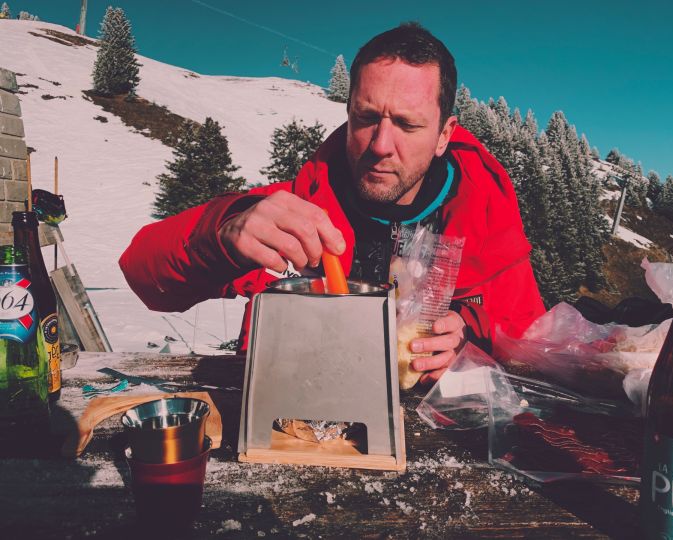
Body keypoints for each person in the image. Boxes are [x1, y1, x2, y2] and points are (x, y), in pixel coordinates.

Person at [119, 23, 546, 385]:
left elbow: (538, 353)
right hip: (286, 439)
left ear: (443, 135)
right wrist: (222, 233)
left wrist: (466, 347)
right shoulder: (299, 208)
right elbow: (143, 274)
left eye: (407, 124)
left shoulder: (484, 224)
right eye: (365, 119)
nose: (380, 145)